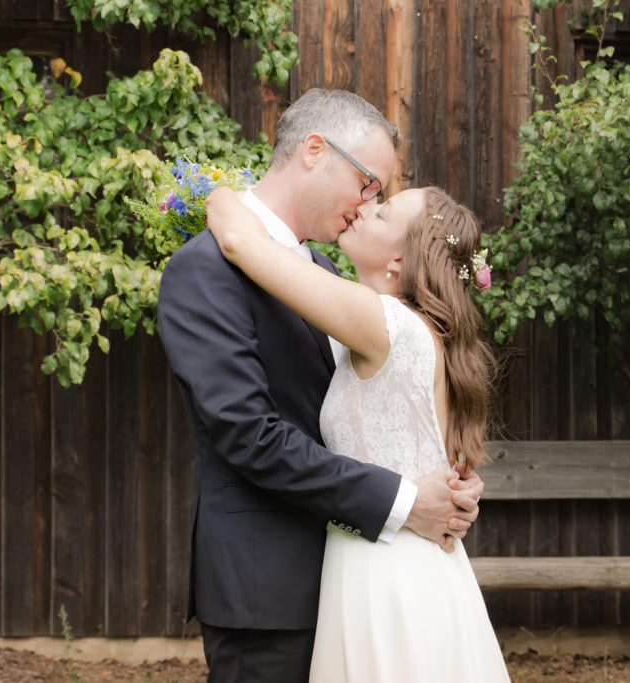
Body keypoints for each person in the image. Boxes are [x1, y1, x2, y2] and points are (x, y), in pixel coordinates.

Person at [156, 88, 484, 683]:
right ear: (314, 150)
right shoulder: (201, 272)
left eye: (379, 198)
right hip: (269, 591)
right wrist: (409, 498)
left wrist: (438, 472)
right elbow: (250, 435)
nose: (366, 206)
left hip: (358, 578)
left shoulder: (328, 275)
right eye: (367, 184)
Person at [205, 183, 509, 682]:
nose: (366, 209)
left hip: (388, 573)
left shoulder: (386, 323)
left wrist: (214, 192)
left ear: (397, 260)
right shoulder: (411, 330)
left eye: (383, 212)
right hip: (405, 558)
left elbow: (240, 243)